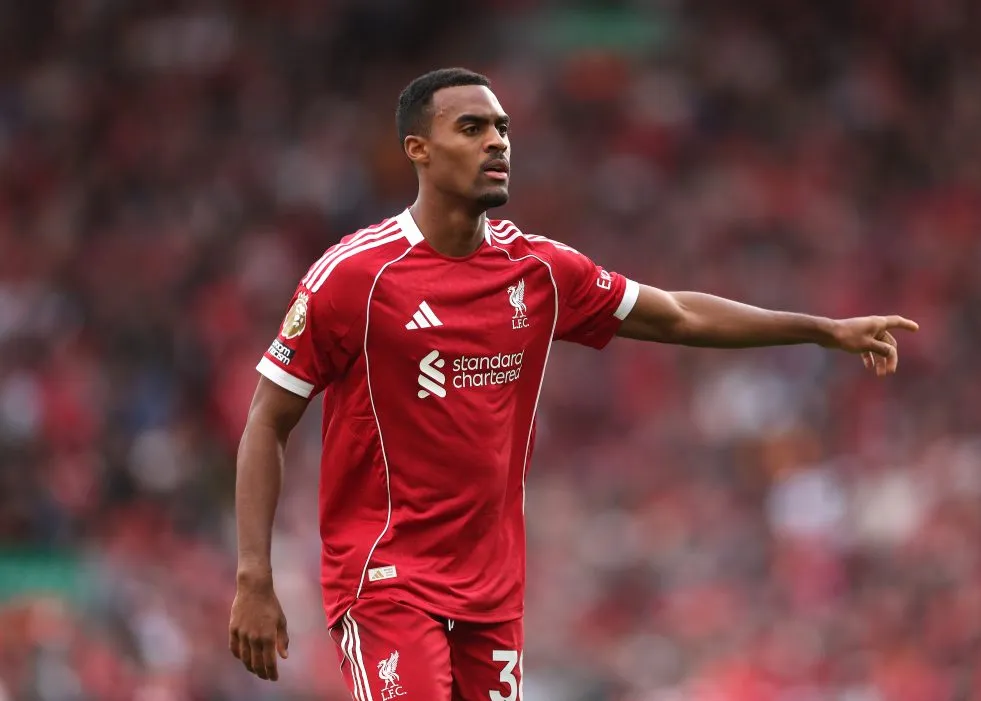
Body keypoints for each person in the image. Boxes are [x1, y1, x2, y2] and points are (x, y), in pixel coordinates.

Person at [228, 67, 918, 700]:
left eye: (501, 128)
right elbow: (267, 419)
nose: (497, 142)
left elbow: (676, 314)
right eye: (471, 128)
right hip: (388, 579)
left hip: (493, 590)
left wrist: (823, 329)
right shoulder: (356, 276)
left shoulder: (540, 271)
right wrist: (253, 575)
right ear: (419, 150)